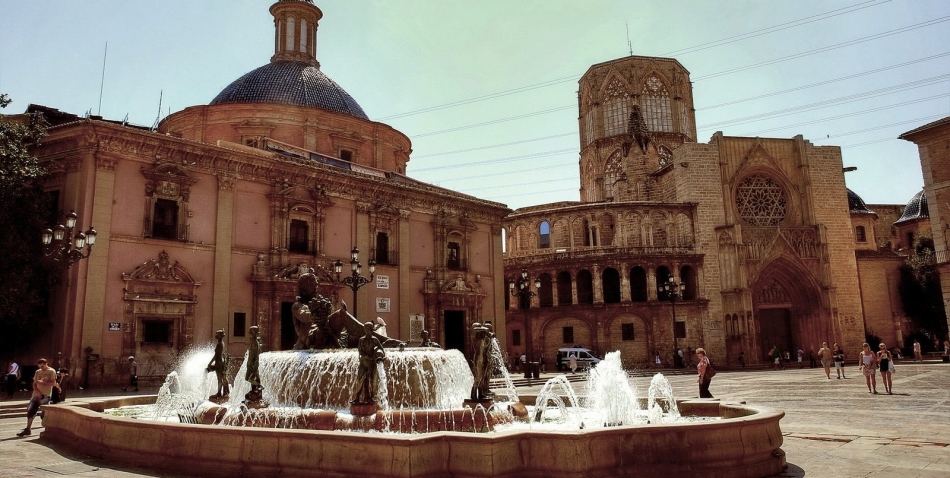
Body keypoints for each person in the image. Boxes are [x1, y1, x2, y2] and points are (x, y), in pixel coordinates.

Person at [17, 358, 59, 437]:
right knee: (31, 410)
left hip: (46, 395)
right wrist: (37, 391)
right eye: (40, 366)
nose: (41, 368)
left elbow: (53, 383)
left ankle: (47, 428)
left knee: (45, 413)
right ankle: (28, 429)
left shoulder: (51, 371)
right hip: (36, 394)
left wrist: (43, 383)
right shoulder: (38, 372)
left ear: (46, 364)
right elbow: (34, 383)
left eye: (42, 366)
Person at [354, 322, 386, 404]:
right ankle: (357, 397)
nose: (367, 331)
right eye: (365, 329)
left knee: (373, 380)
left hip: (372, 363)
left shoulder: (374, 339)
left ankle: (372, 397)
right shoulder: (361, 339)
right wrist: (367, 356)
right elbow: (360, 351)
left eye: (368, 329)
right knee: (359, 379)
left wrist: (380, 355)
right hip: (363, 362)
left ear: (372, 330)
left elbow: (381, 349)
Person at [207, 329, 230, 398]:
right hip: (220, 362)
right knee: (222, 377)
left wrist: (210, 363)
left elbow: (216, 355)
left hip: (219, 363)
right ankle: (224, 392)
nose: (216, 336)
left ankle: (219, 393)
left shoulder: (220, 344)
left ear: (220, 336)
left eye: (217, 334)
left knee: (220, 378)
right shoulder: (221, 343)